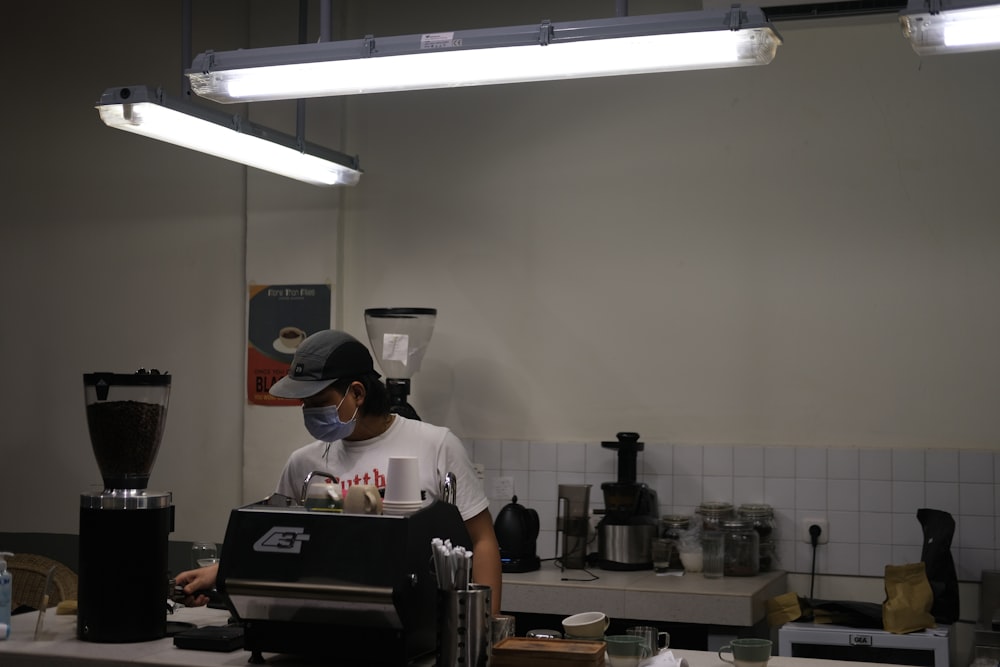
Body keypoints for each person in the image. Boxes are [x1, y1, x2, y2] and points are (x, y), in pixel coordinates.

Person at [175, 329, 503, 614]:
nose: (308, 412)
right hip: (323, 618)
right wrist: (219, 572)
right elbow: (273, 543)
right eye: (303, 404)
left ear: (357, 393)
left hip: (417, 620)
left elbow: (483, 540)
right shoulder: (303, 464)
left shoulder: (436, 446)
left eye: (317, 401)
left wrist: (486, 627)